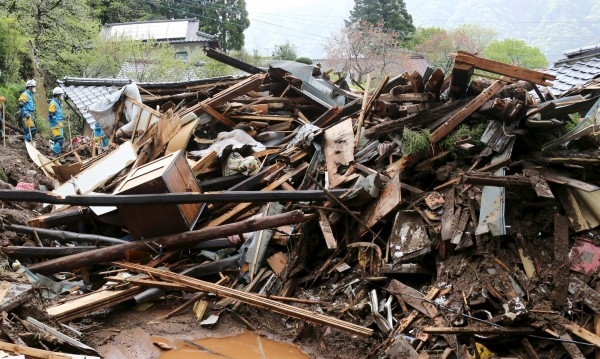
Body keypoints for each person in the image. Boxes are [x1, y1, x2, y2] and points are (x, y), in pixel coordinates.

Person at [48, 87, 65, 156]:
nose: (62, 96)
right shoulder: (53, 103)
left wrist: (65, 117)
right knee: (60, 139)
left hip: (58, 124)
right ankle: (55, 154)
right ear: (57, 95)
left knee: (59, 139)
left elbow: (58, 115)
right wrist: (58, 122)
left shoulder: (58, 103)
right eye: (61, 95)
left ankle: (57, 154)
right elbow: (51, 115)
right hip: (55, 124)